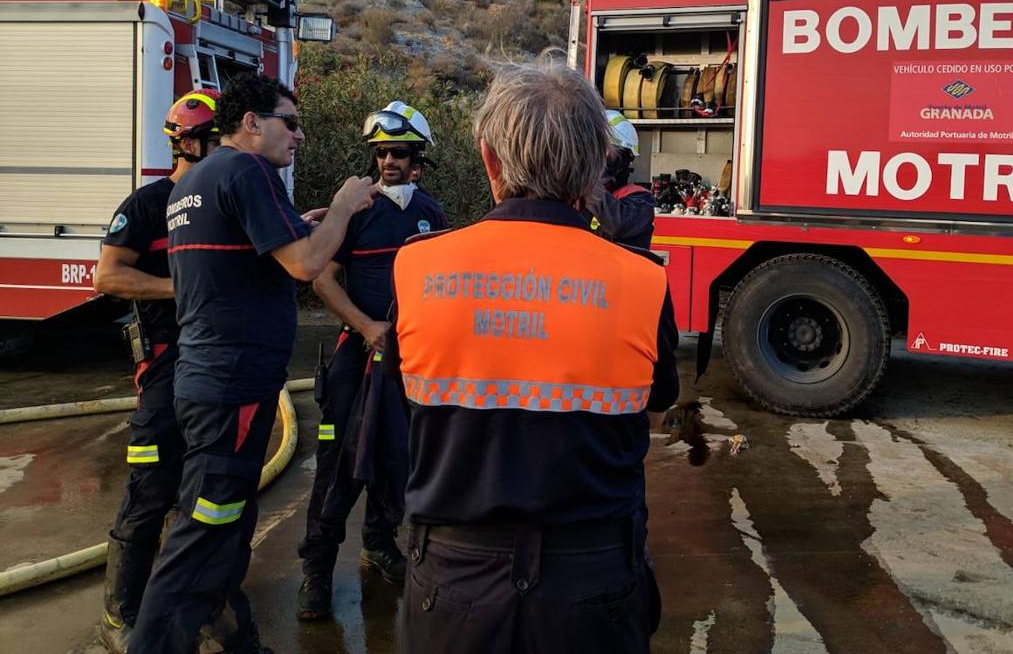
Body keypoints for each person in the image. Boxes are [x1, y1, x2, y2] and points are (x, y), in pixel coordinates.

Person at [393, 63, 679, 654]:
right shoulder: (643, 282)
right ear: (596, 165)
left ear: (490, 161)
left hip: (452, 578)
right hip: (592, 579)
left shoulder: (417, 268)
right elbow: (658, 403)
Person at [127, 73, 376, 654]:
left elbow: (252, 253)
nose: (299, 135)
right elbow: (307, 265)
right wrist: (341, 208)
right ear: (250, 123)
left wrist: (306, 223)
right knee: (205, 529)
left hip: (208, 378)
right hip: (231, 384)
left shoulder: (203, 180)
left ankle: (239, 641)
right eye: (289, 121)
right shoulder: (247, 171)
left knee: (227, 522)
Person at [296, 100, 448, 620]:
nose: (388, 162)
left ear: (417, 161)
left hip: (407, 365)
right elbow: (321, 279)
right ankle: (316, 571)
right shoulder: (356, 213)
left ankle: (378, 545)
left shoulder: (432, 214)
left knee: (394, 461)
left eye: (399, 154)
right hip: (355, 361)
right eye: (381, 153)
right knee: (337, 469)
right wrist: (366, 327)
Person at [94, 91, 222, 654]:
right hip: (166, 364)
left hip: (215, 365)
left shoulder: (223, 202)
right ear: (192, 143)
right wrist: (183, 288)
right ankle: (121, 615)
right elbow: (108, 276)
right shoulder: (149, 205)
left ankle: (199, 604)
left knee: (205, 492)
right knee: (150, 492)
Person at [586, 110, 655, 249]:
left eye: (607, 151)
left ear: (623, 157)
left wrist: (585, 180)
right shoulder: (578, 195)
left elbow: (617, 224)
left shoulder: (640, 200)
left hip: (621, 270)